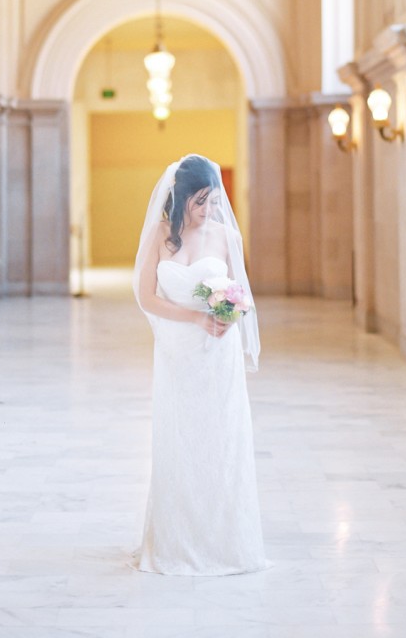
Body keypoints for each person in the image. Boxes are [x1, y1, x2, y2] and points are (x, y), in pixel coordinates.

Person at [132, 154, 267, 576]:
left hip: (216, 356)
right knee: (179, 443)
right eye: (200, 202)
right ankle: (176, 542)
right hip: (176, 353)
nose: (208, 210)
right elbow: (146, 296)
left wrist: (229, 315)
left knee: (220, 443)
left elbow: (240, 294)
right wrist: (192, 316)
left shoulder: (226, 236)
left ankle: (227, 544)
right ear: (181, 197)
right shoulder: (160, 235)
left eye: (212, 201)